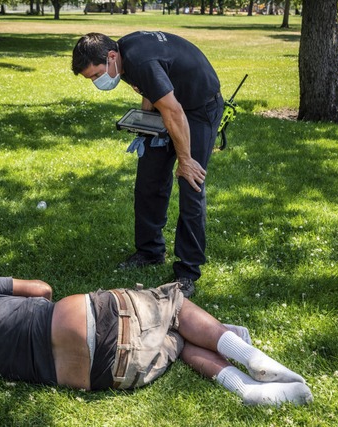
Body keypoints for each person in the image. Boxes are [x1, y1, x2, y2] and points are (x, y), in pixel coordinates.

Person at [0, 274, 313, 407]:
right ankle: (252, 357)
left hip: (103, 375)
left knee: (176, 342)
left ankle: (245, 390)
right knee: (175, 306)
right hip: (78, 322)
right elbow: (41, 289)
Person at [71, 32, 225, 298]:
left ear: (110, 57)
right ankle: (149, 251)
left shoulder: (140, 61)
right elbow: (153, 92)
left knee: (190, 183)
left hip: (198, 108)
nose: (97, 82)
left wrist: (185, 160)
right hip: (171, 105)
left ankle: (188, 271)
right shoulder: (122, 55)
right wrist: (146, 125)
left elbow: (174, 111)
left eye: (96, 75)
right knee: (149, 179)